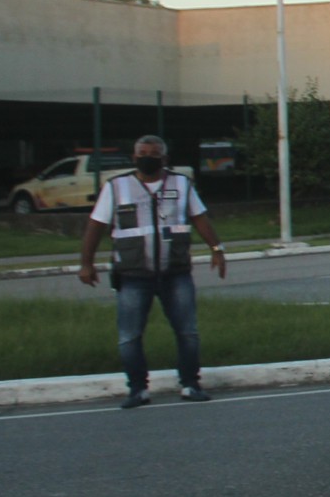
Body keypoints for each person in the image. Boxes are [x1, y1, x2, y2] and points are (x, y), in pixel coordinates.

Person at [78, 135, 228, 407]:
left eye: (154, 154)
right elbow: (95, 225)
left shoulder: (181, 184)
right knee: (129, 337)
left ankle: (191, 385)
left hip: (175, 273)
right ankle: (137, 390)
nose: (147, 158)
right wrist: (86, 263)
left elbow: (199, 218)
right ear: (134, 157)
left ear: (164, 159)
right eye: (142, 153)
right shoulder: (116, 187)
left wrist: (217, 249)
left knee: (188, 332)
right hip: (133, 276)